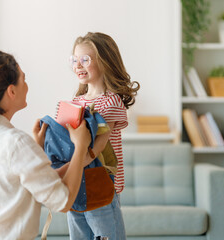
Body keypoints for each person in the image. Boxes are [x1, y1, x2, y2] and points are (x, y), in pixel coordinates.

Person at [0, 51, 91, 240]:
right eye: (24, 80)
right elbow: (63, 201)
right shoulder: (16, 143)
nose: (27, 86)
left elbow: (20, 182)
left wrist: (37, 149)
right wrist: (80, 146)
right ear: (11, 91)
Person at [67, 32, 140, 239]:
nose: (78, 66)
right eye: (75, 60)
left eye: (85, 60)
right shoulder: (76, 101)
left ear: (105, 62)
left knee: (106, 234)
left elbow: (97, 148)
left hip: (101, 184)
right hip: (77, 185)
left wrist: (68, 169)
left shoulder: (111, 102)